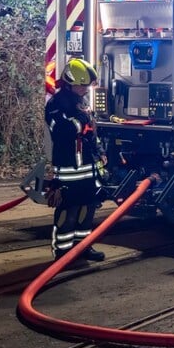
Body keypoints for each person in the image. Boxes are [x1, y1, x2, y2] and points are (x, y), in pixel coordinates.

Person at [45, 59, 106, 262]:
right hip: (68, 167)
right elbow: (62, 131)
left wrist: (99, 151)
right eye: (82, 85)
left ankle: (83, 248)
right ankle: (62, 252)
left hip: (88, 168)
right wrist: (81, 122)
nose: (85, 89)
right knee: (68, 211)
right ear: (70, 83)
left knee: (87, 209)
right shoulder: (56, 104)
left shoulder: (82, 102)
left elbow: (92, 132)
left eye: (87, 85)